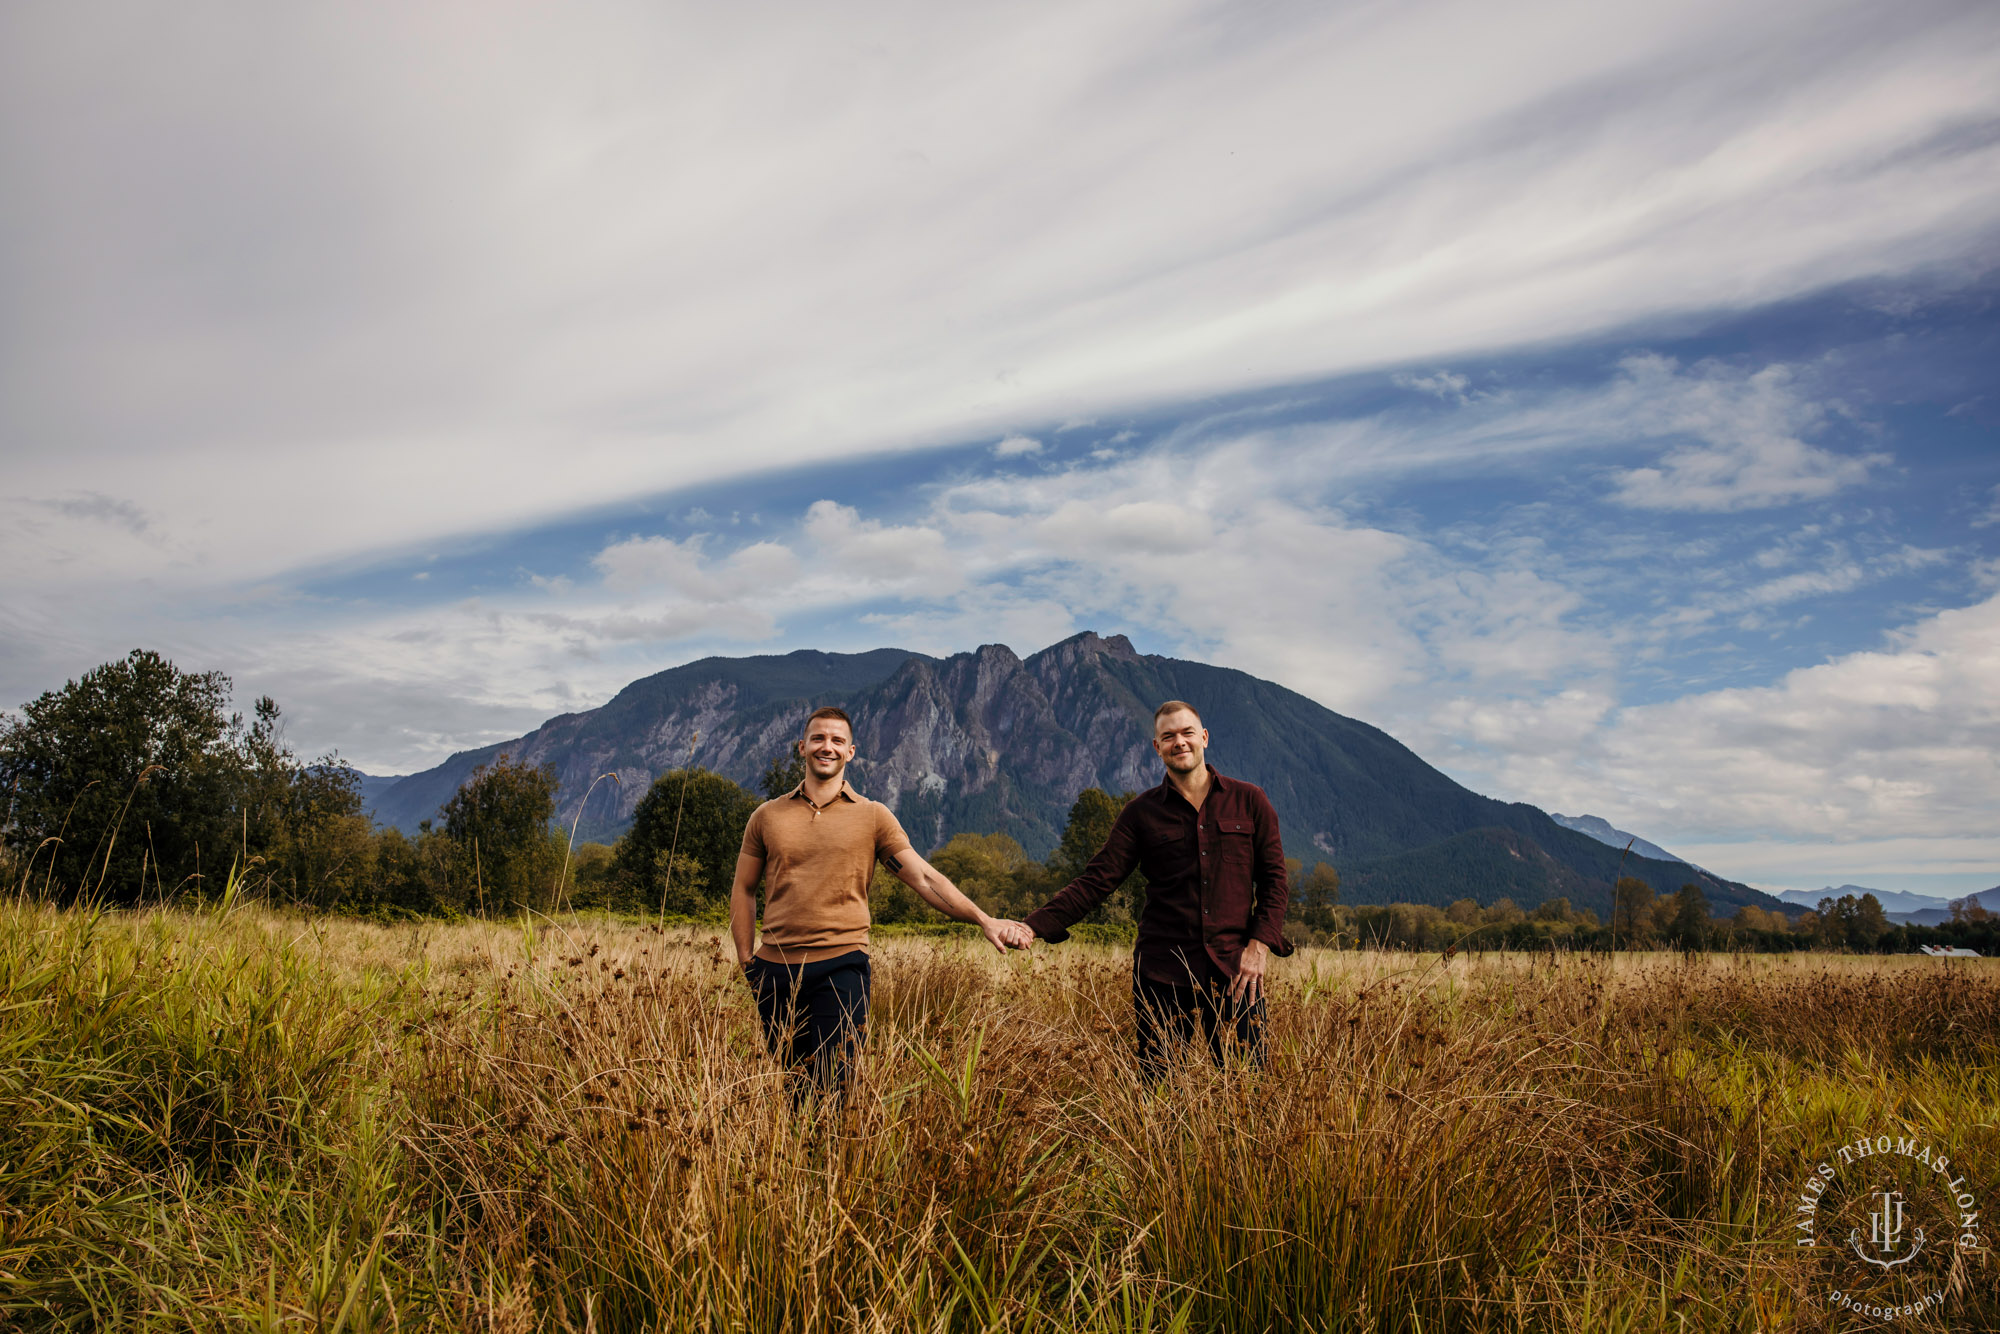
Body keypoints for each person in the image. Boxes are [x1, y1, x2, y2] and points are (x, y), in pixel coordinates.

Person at [729, 705, 1024, 1096]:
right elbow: (743, 889)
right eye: (818, 738)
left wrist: (984, 919)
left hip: (841, 966)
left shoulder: (872, 816)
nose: (827, 747)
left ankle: (832, 1158)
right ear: (801, 747)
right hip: (775, 971)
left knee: (833, 1087)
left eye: (837, 740)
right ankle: (798, 1157)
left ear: (851, 752)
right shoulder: (766, 816)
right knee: (793, 1088)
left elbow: (923, 878)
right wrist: (748, 961)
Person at [1001, 700, 1292, 1079]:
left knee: (1247, 1089)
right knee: (1159, 1092)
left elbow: (1275, 880)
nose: (1180, 742)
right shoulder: (1140, 814)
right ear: (1157, 747)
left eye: (1187, 733)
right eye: (1168, 736)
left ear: (1204, 738)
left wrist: (1258, 947)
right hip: (1162, 974)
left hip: (1237, 972)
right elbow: (1097, 879)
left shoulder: (1250, 800)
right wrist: (1034, 926)